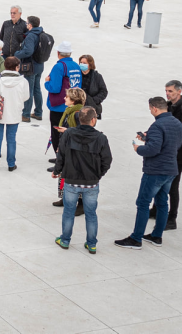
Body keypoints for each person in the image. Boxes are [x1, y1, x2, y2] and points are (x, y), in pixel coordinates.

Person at [115, 96, 182, 249]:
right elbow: (173, 144)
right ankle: (156, 236)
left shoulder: (157, 125)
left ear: (154, 108)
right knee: (162, 203)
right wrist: (148, 138)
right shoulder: (177, 123)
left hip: (155, 171)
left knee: (143, 203)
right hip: (171, 170)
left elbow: (153, 149)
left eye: (150, 109)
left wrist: (138, 148)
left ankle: (136, 239)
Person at [54, 106, 112, 254]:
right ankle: (91, 244)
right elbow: (107, 160)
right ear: (93, 120)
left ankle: (65, 240)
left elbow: (61, 155)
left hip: (71, 181)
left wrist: (56, 171)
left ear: (79, 119)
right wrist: (98, 175)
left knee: (68, 212)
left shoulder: (69, 134)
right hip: (91, 183)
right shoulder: (101, 138)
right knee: (91, 214)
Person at [151, 80, 182, 230]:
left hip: (178, 155)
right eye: (166, 91)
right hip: (168, 152)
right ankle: (156, 210)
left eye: (170, 91)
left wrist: (181, 155)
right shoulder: (169, 106)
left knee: (172, 186)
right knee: (160, 181)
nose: (167, 94)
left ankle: (172, 218)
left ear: (179, 91)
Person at [0, 56, 30, 172]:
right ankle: (11, 164)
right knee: (11, 139)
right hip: (14, 113)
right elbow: (26, 97)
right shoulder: (23, 81)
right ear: (17, 67)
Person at [44, 40, 82, 165]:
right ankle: (64, 158)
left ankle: (60, 160)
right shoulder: (76, 66)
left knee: (57, 133)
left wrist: (46, 82)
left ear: (58, 53)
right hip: (73, 105)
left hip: (59, 106)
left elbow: (54, 88)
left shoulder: (59, 67)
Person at [14, 14, 43, 122]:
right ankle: (38, 113)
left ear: (30, 25)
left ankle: (26, 115)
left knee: (28, 90)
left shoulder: (31, 35)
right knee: (37, 90)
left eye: (27, 23)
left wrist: (17, 54)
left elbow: (28, 51)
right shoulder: (41, 33)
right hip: (39, 65)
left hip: (30, 67)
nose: (26, 24)